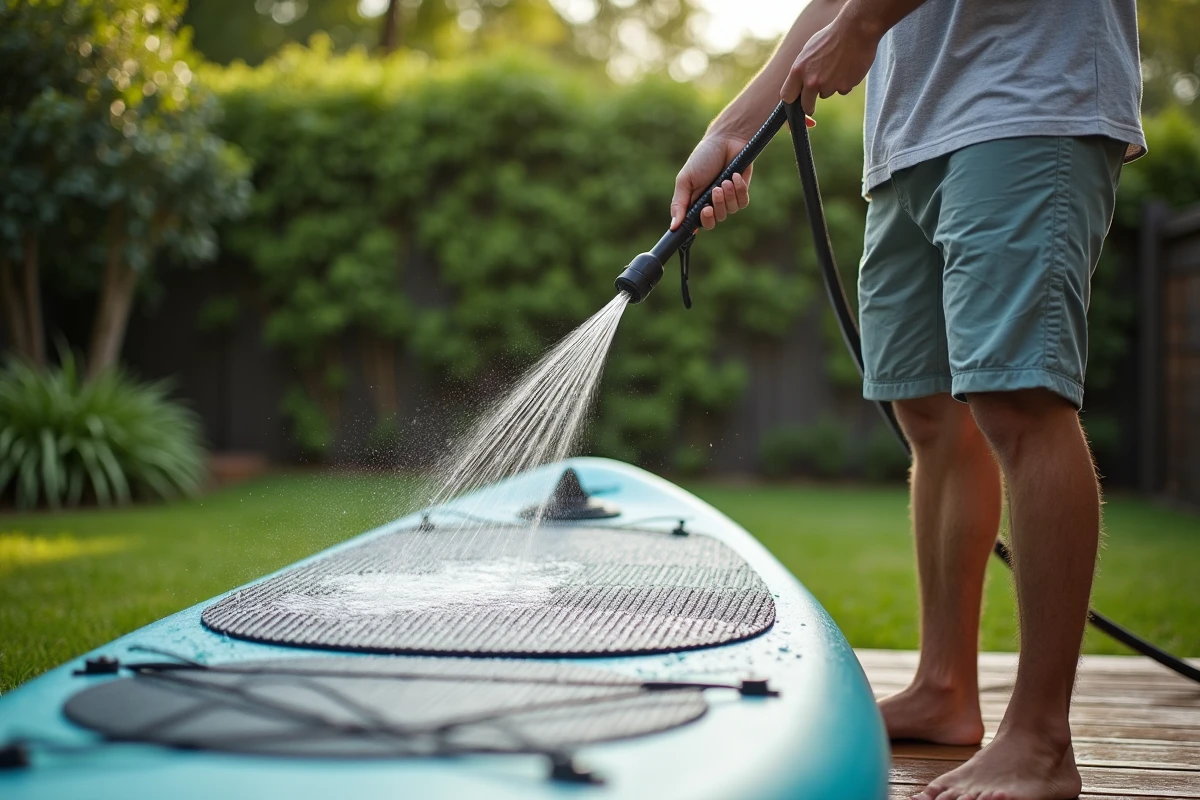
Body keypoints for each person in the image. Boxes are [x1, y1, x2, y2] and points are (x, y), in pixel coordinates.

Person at [671, 1, 1146, 798]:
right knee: (928, 414)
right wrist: (732, 126)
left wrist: (863, 25)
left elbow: (848, 15)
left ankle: (1040, 739)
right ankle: (944, 687)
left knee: (1020, 401)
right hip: (907, 134)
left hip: (1025, 97)